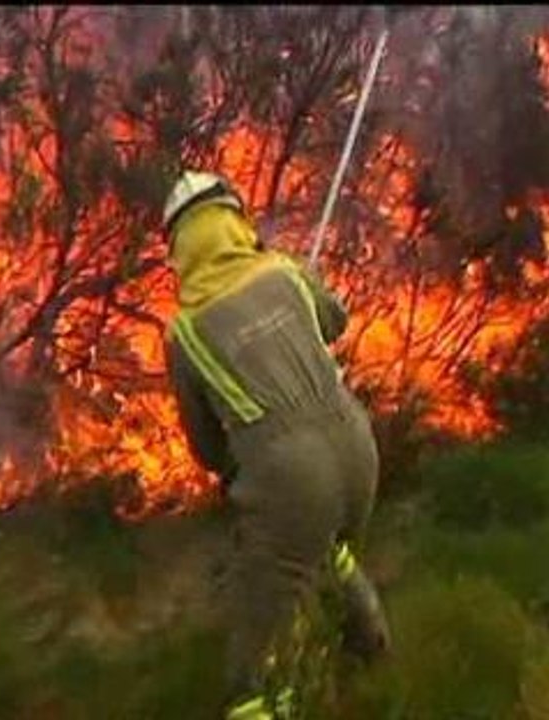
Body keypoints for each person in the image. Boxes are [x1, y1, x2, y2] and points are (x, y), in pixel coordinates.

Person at [162, 171, 392, 719]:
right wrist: (295, 280)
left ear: (179, 248)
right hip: (357, 447)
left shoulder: (184, 333)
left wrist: (248, 471)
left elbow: (206, 447)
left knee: (255, 666)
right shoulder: (285, 273)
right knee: (329, 553)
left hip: (289, 478)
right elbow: (335, 321)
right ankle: (376, 665)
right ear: (236, 221)